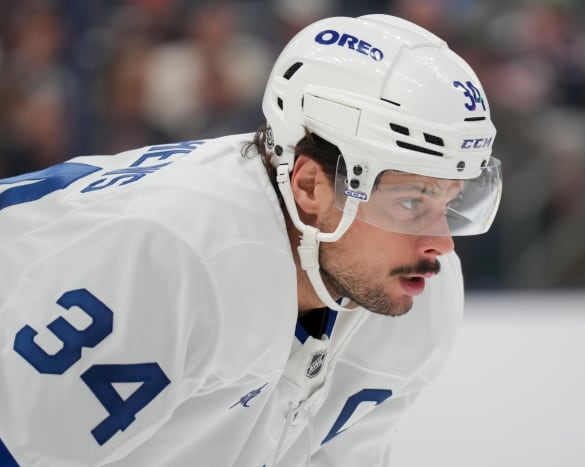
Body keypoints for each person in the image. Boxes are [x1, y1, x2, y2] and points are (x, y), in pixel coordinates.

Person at [0, 14, 501, 467]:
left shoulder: (414, 296)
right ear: (310, 186)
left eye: (450, 201)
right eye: (411, 202)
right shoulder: (180, 254)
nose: (442, 245)